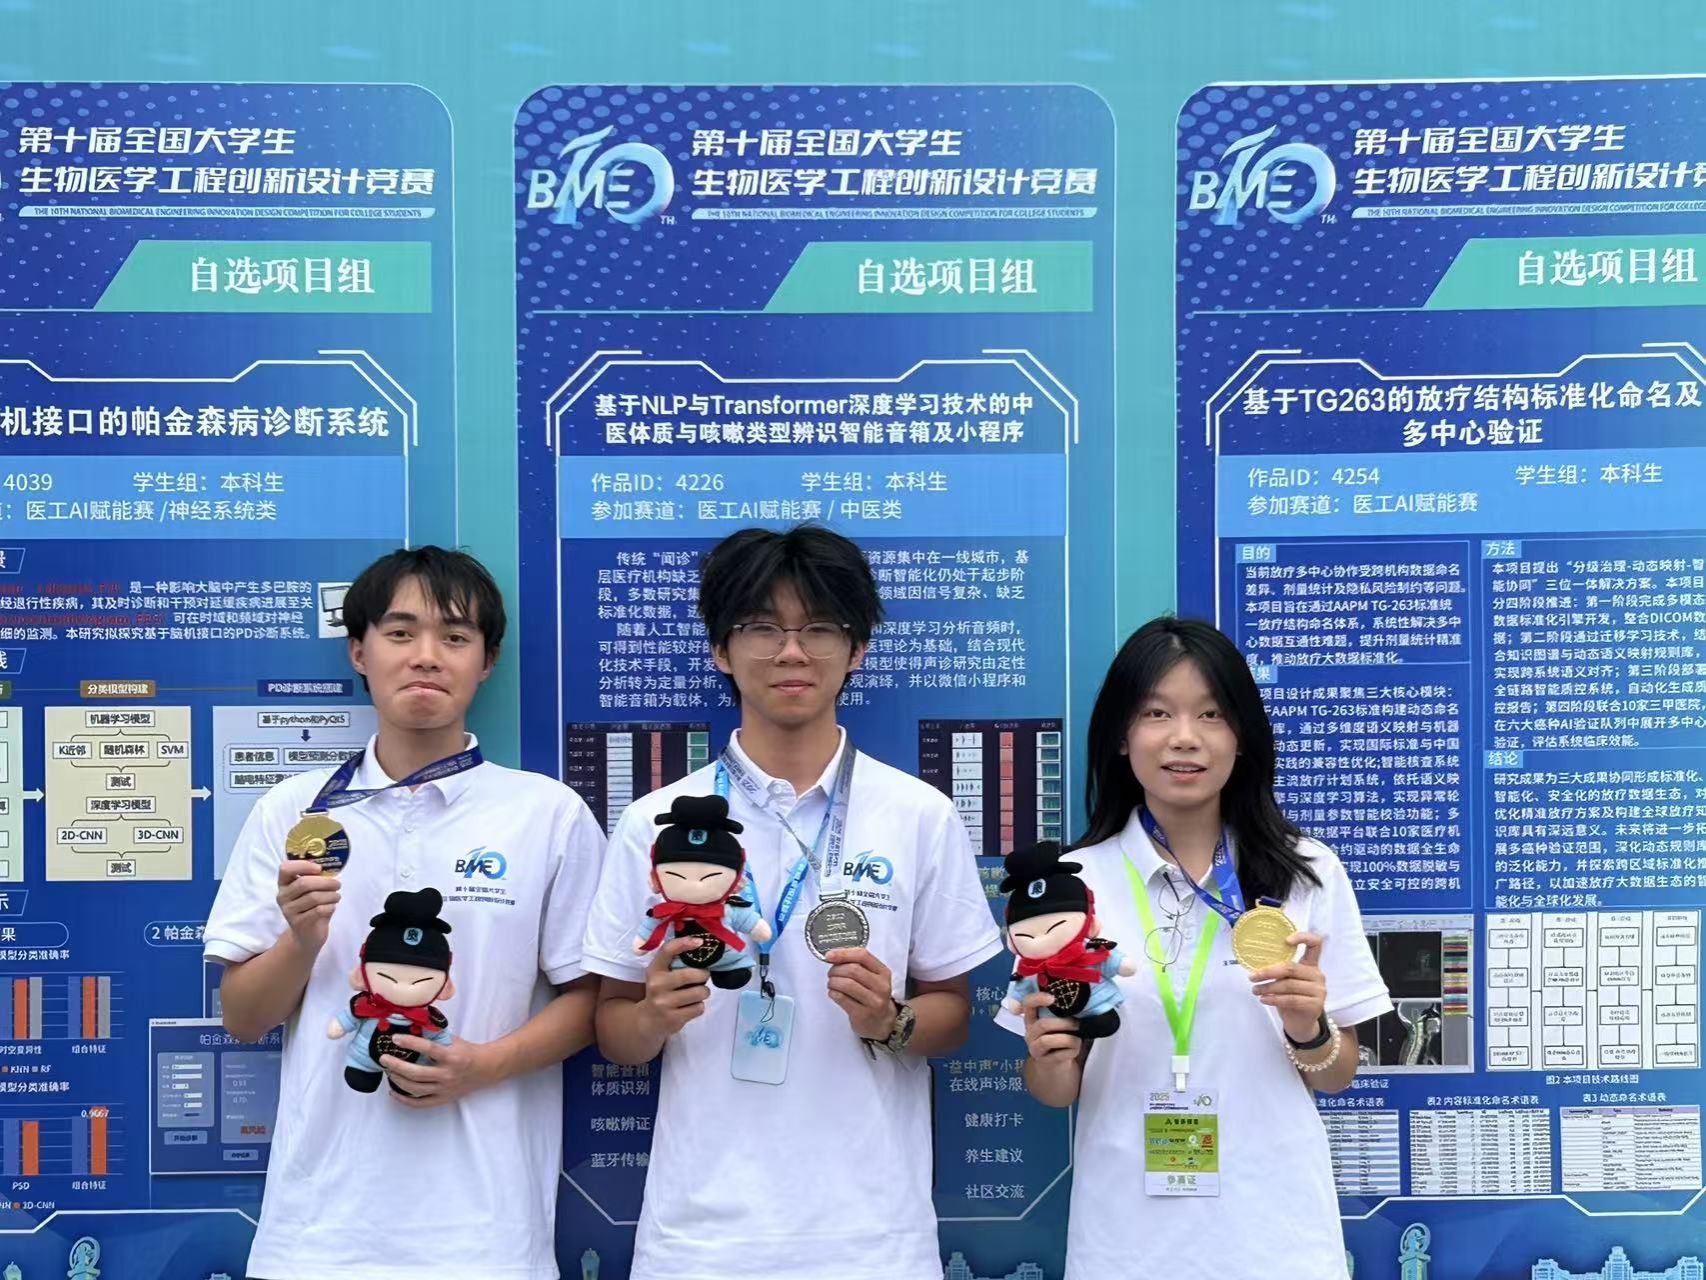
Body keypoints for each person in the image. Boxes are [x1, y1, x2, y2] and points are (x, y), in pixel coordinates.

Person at [582, 524, 1003, 1280]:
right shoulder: (652, 822)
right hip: (699, 1242)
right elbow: (613, 1027)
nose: (791, 652)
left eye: (818, 629)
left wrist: (891, 1021)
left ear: (857, 649)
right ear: (721, 649)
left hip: (872, 1240)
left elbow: (953, 1012)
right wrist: (651, 1018)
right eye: (762, 628)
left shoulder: (917, 814)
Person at [205, 546, 606, 1280]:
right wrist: (301, 940)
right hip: (317, 1242)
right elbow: (242, 1017)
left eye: (454, 637)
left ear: (487, 662)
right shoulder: (294, 811)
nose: (426, 656)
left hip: (487, 1242)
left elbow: (594, 1002)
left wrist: (481, 1066)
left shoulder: (546, 814)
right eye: (400, 633)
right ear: (359, 652)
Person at [1004, 617, 1391, 1280]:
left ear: (1241, 738)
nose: (1185, 737)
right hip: (1126, 1246)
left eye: (1211, 714)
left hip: (1276, 1241)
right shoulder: (1070, 886)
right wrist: (1051, 1058)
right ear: (1121, 736)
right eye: (1157, 713)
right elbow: (1053, 1091)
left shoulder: (1306, 873)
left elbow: (1337, 1074)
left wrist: (1308, 1027)